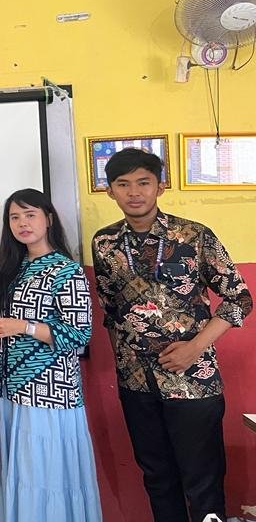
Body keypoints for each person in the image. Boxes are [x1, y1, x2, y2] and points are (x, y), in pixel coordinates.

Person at [92, 148, 251, 522]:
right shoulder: (104, 243)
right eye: (123, 184)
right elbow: (110, 310)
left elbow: (239, 298)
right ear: (110, 191)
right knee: (157, 479)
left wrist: (195, 348)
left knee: (203, 481)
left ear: (160, 186)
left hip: (192, 381)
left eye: (143, 182)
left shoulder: (194, 236)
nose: (134, 192)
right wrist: (126, 365)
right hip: (137, 384)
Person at [0, 188, 100, 522]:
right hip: (9, 392)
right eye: (14, 217)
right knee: (20, 476)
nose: (22, 223)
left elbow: (79, 335)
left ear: (48, 219)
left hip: (48, 392)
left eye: (30, 215)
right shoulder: (10, 270)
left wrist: (25, 327)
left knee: (47, 475)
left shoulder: (67, 271)